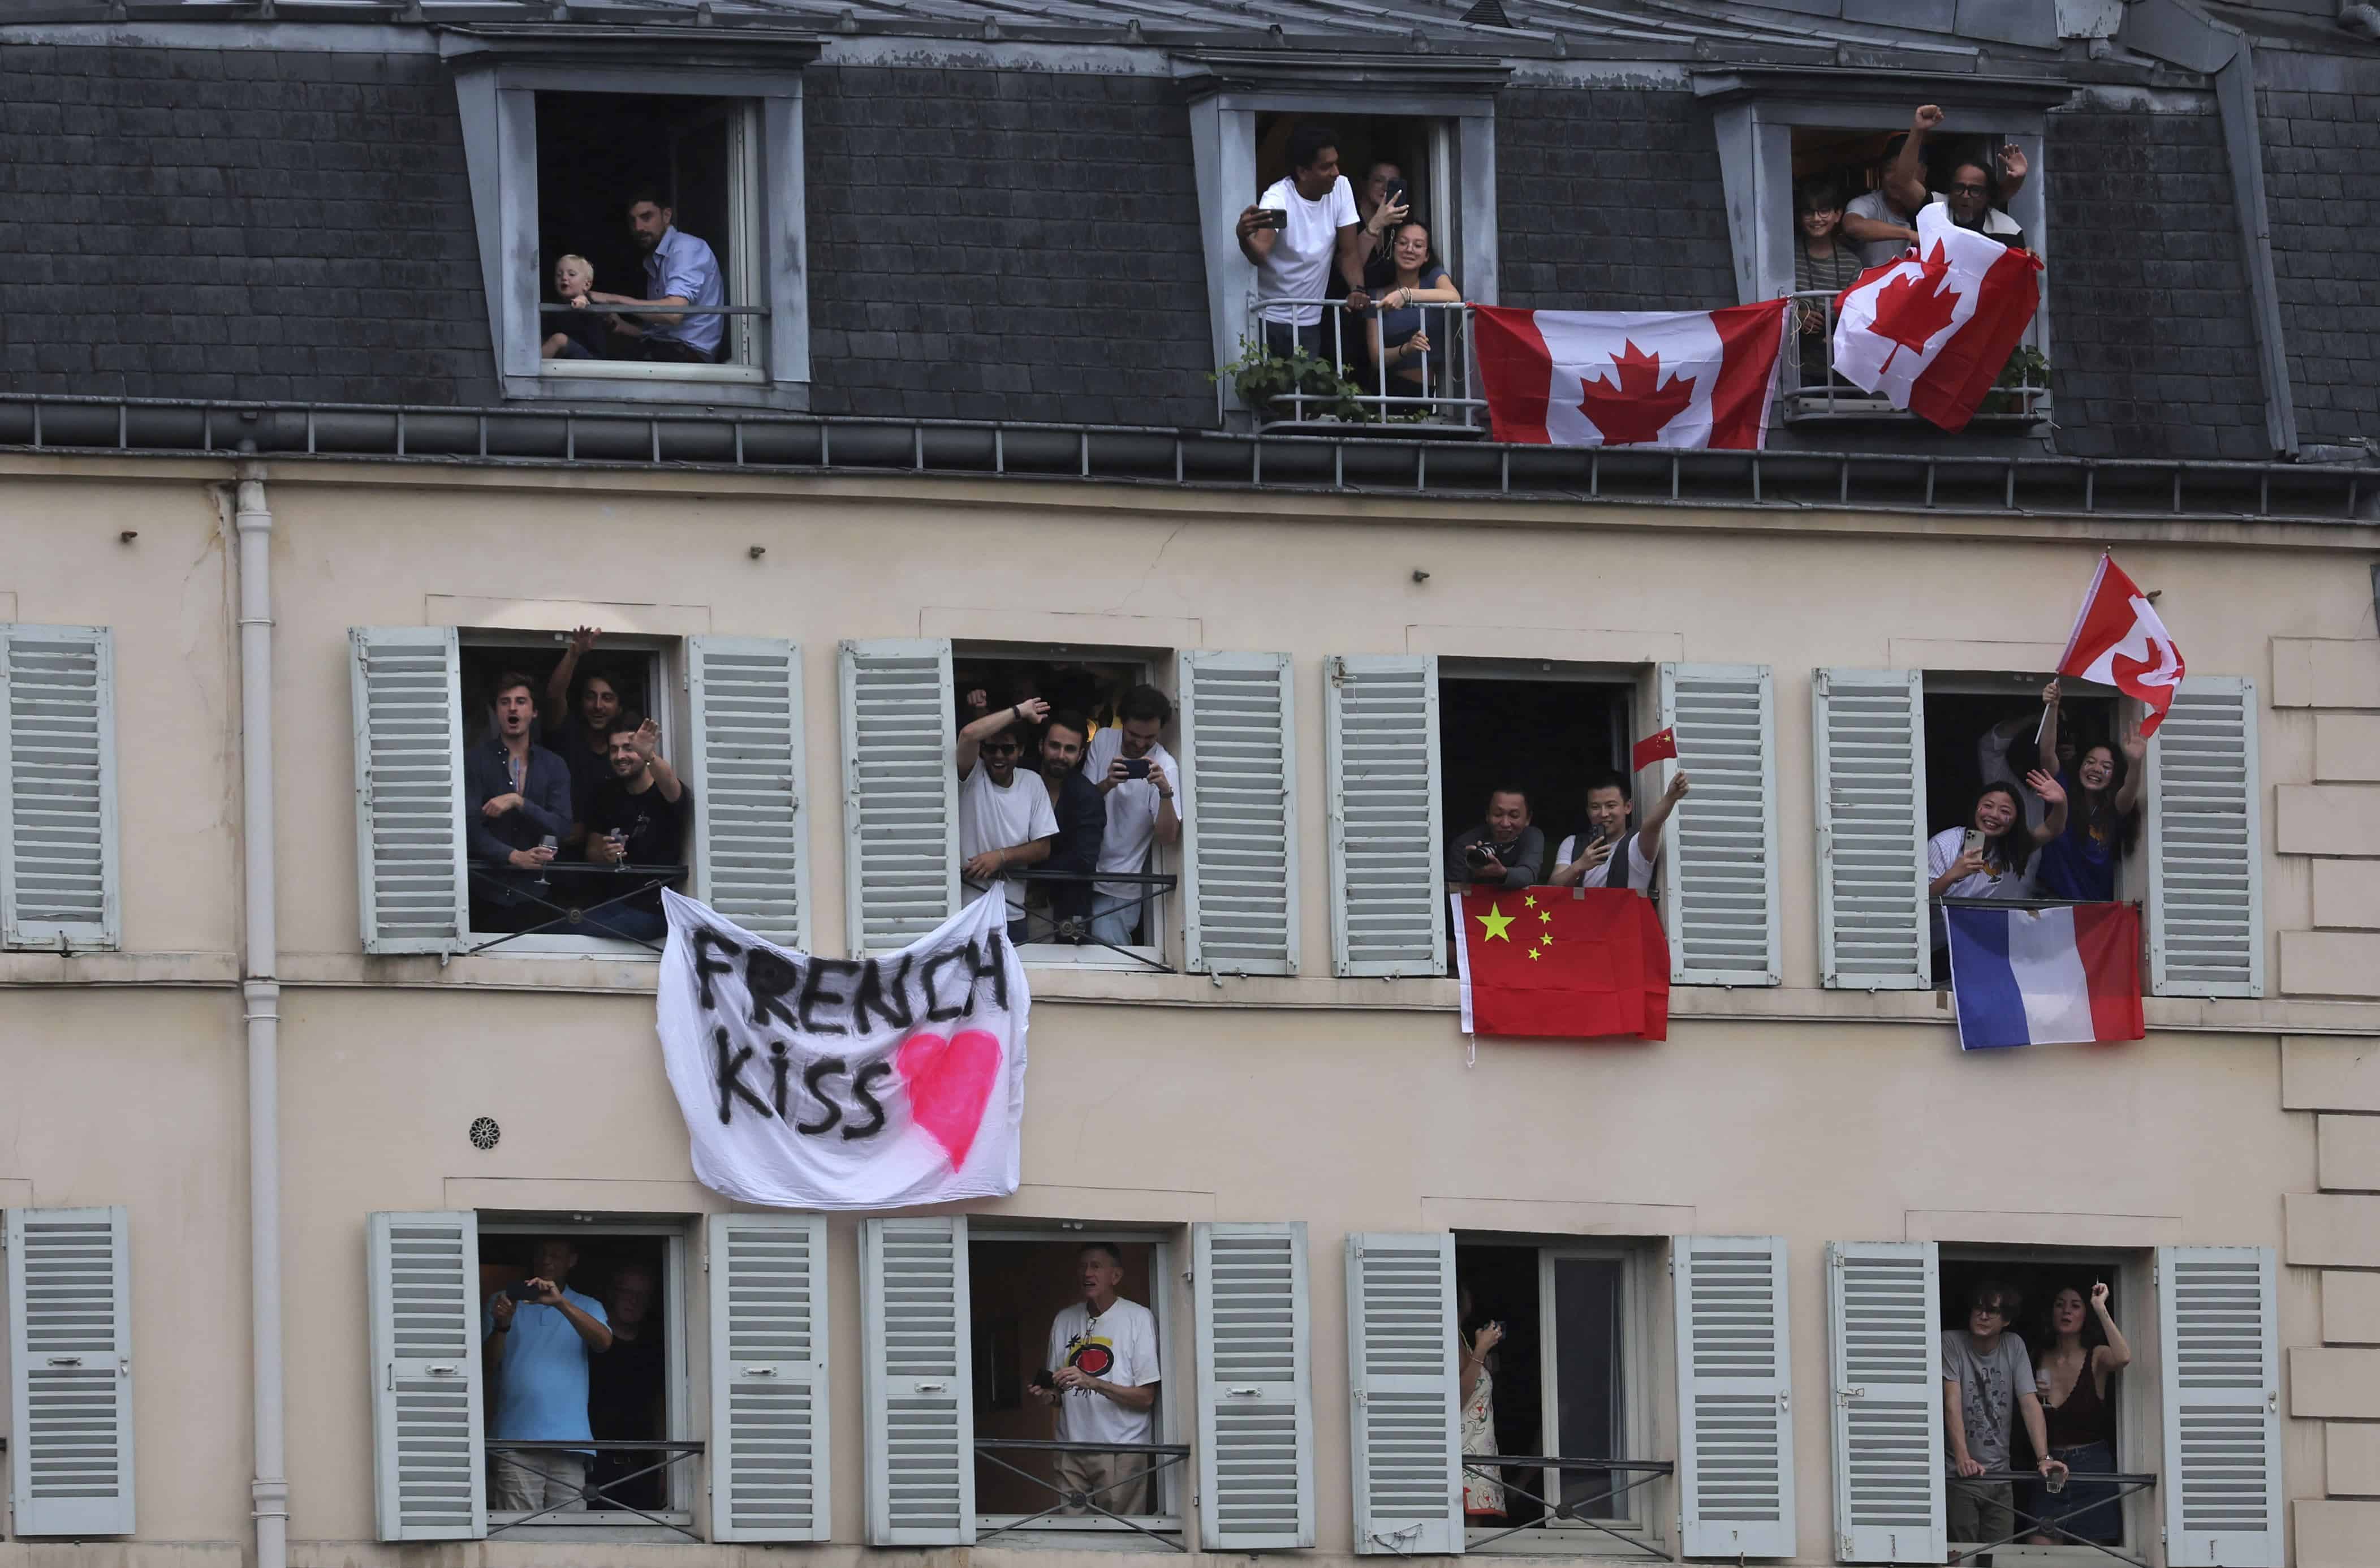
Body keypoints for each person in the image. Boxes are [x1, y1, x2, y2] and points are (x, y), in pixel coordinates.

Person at [1031, 1243, 1161, 1517]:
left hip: (1121, 1451)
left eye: (1096, 1266)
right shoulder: (1065, 1319)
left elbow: (1146, 1397)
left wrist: (1094, 1382)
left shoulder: (1137, 1318)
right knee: (1074, 1538)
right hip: (1071, 1449)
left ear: (1116, 1276)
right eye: (1083, 1267)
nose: (1087, 1273)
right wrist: (1049, 1396)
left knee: (1121, 1538)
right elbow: (1059, 1391)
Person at [484, 1239, 614, 1513]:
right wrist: (502, 1327)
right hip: (515, 1440)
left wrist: (561, 1304)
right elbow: (487, 1365)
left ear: (572, 1261)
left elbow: (603, 1343)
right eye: (541, 1255)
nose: (547, 1261)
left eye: (556, 1256)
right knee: (518, 1534)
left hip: (570, 1443)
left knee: (570, 1535)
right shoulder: (503, 1302)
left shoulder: (587, 1305)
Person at [1943, 1280, 2066, 1556]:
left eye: (1992, 1312)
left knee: (2001, 1557)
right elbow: (1951, 1402)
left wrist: (2044, 1458)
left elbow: (2029, 1404)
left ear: (2007, 1320)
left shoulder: (2014, 1345)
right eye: (1978, 1309)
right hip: (1960, 1477)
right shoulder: (1951, 1342)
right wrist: (1963, 1459)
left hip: (2001, 1477)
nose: (1983, 1316)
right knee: (1963, 1556)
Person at [1236, 124, 1371, 363]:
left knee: (1303, 396)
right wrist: (1243, 237)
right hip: (1268, 316)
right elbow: (1261, 253)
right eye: (1326, 167)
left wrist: (1358, 290)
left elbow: (1349, 253)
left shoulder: (1342, 188)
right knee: (1267, 397)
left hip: (1310, 319)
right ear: (1302, 171)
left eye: (1336, 163)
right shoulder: (1277, 198)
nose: (1336, 172)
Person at [2021, 1282, 2131, 1545]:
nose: (2066, 1311)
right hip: (2051, 1465)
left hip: (2092, 1465)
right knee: (2040, 1550)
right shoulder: (2036, 1357)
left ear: (2085, 1315)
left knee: (2093, 1555)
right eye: (2060, 1304)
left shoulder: (2096, 1357)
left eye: (2075, 1305)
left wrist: (2100, 1307)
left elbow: (2123, 1357)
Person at [465, 672, 574, 929]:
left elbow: (563, 827)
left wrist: (520, 802)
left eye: (521, 701)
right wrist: (513, 856)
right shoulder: (476, 761)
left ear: (534, 712)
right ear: (497, 711)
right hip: (486, 893)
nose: (513, 708)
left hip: (539, 896)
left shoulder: (553, 765)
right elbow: (468, 827)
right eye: (505, 702)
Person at [1082, 686, 1181, 947]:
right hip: (1082, 873)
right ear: (1122, 723)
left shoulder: (1166, 764)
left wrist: (1165, 792)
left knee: (1109, 960)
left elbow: (1168, 837)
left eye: (1149, 738)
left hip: (1120, 888)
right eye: (1133, 735)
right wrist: (1107, 784)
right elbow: (1079, 807)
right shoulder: (1103, 740)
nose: (1139, 744)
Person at [956, 696, 1060, 944]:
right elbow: (969, 735)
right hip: (967, 910)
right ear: (982, 751)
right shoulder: (973, 774)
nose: (999, 756)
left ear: (1022, 750)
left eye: (1008, 749)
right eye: (991, 749)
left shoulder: (1032, 783)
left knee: (1011, 983)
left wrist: (999, 857)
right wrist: (1020, 711)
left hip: (1012, 913)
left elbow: (1043, 847)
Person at [584, 189, 725, 364]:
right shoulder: (655, 258)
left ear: (666, 216)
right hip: (669, 350)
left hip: (689, 358)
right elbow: (662, 332)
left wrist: (614, 300)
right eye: (633, 221)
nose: (638, 228)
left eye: (646, 217)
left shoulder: (686, 248)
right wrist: (622, 326)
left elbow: (674, 313)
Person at [2033, 681, 2144, 903]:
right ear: (2079, 765)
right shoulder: (2061, 792)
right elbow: (2047, 753)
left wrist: (2135, 762)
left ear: (2115, 775)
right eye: (2090, 762)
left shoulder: (2114, 807)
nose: (2096, 769)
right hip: (2052, 904)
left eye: (2106, 767)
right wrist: (2053, 707)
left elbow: (2128, 794)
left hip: (2098, 911)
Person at [582, 713, 688, 942]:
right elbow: (592, 849)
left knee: (578, 933)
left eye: (628, 748)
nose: (620, 756)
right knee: (564, 928)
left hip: (655, 912)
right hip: (615, 904)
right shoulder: (607, 795)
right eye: (614, 749)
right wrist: (605, 854)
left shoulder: (664, 792)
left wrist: (648, 755)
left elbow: (672, 784)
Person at [1926, 777, 2067, 949]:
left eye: (2005, 811)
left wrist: (2061, 803)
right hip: (1939, 942)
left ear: (2015, 820)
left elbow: (2052, 829)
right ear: (1976, 808)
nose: (1994, 815)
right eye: (1988, 806)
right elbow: (1923, 902)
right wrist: (1951, 875)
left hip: (1981, 941)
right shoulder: (1944, 845)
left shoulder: (2009, 848)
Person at [1882, 106, 2029, 246]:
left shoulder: (2007, 230)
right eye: (1959, 188)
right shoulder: (1936, 207)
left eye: (1975, 190)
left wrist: (2018, 178)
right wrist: (1917, 131)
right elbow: (1903, 182)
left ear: (1987, 196)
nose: (1965, 196)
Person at [587, 1263, 667, 1513]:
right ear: (612, 1293)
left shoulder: (659, 1349)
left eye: (643, 1296)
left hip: (642, 1467)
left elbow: (662, 1409)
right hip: (591, 1467)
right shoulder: (590, 1345)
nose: (635, 1301)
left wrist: (666, 1469)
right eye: (627, 1293)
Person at [1366, 219, 1463, 406]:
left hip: (1424, 393)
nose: (1409, 249)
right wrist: (1406, 348)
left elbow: (1454, 297)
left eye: (1418, 245)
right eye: (1403, 243)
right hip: (1386, 391)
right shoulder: (1377, 295)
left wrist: (1406, 295)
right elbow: (1376, 358)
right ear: (1393, 248)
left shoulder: (1434, 277)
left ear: (1426, 256)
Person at [544, 627, 627, 842]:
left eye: (607, 698)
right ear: (581, 703)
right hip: (556, 851)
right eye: (591, 697)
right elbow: (554, 696)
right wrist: (573, 654)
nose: (598, 706)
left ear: (619, 708)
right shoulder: (567, 735)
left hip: (604, 856)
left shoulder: (623, 754)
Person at [1550, 770, 1689, 893]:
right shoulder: (1572, 843)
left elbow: (1652, 825)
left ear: (1628, 807)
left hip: (1626, 922)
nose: (1604, 814)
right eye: (1595, 807)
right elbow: (1551, 889)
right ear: (1587, 811)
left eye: (1611, 806)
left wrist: (1671, 798)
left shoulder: (1637, 845)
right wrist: (1579, 866)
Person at [1037, 709, 1107, 942]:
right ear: (1041, 746)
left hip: (1065, 910)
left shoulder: (1088, 796)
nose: (1060, 755)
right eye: (1054, 746)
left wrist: (1029, 877)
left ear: (1080, 755)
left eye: (1070, 749)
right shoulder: (1021, 779)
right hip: (1008, 901)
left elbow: (1085, 859)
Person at [1791, 176, 1863, 384]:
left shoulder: (1851, 263)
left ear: (1838, 215)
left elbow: (1859, 314)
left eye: (1824, 211)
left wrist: (1838, 328)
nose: (1816, 219)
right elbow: (1771, 303)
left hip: (1843, 371)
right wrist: (1799, 315)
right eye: (1809, 212)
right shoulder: (1786, 259)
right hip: (1796, 370)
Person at [1456, 1287, 1506, 1522]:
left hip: (1478, 1454)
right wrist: (1481, 1350)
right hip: (1466, 1460)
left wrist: (1482, 1362)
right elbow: (1457, 1399)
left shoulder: (1460, 1336)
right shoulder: (1449, 1337)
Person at [1447, 787, 1543, 891]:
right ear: (1487, 815)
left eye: (1514, 816)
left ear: (1528, 819)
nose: (1505, 823)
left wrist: (1503, 873)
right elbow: (1453, 893)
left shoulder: (1531, 836)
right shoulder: (1465, 844)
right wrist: (1473, 865)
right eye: (1498, 815)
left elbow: (1528, 875)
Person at [1354, 160, 1411, 287]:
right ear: (1364, 184)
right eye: (1379, 180)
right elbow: (1350, 267)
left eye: (1393, 183)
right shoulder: (1349, 218)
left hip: (1384, 305)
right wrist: (1377, 223)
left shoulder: (1397, 223)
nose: (1386, 188)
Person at [541, 255, 609, 362]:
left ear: (586, 285)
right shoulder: (554, 305)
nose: (564, 277)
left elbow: (585, 301)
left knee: (559, 339)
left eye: (572, 274)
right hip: (566, 360)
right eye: (559, 275)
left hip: (592, 360)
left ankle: (527, 371)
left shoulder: (587, 300)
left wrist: (582, 302)